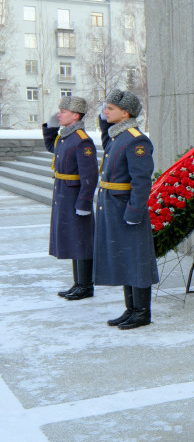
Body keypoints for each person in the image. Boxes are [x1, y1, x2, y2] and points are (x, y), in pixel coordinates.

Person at [95, 90, 159, 330]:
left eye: (110, 108)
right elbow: (106, 133)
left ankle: (142, 313)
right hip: (114, 208)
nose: (105, 111)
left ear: (125, 113)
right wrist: (104, 118)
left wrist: (134, 212)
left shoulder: (136, 140)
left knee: (136, 259)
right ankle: (131, 309)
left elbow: (141, 181)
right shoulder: (117, 136)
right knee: (125, 258)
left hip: (127, 209)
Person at [41, 96, 97, 300]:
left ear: (75, 116)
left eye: (63, 112)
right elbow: (52, 147)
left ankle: (86, 286)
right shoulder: (66, 137)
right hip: (64, 195)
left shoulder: (82, 140)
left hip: (75, 197)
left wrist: (84, 202)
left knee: (82, 241)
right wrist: (50, 128)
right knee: (74, 240)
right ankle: (78, 283)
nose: (59, 114)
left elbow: (90, 176)